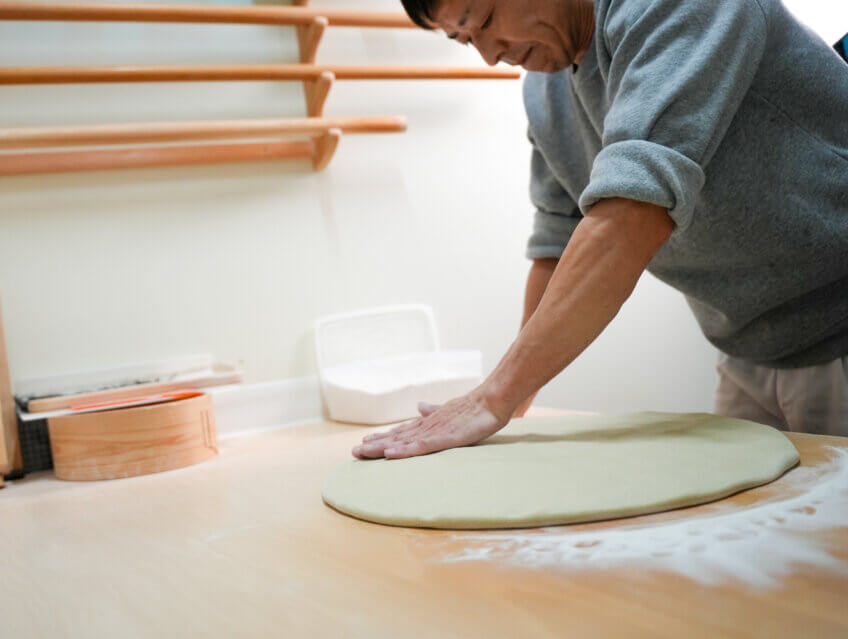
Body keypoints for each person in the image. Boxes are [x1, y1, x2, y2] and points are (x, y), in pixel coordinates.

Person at [353, 0, 848, 459]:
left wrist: (494, 396)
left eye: (482, 19)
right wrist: (515, 396)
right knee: (750, 531)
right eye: (463, 40)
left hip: (837, 323)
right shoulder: (545, 92)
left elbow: (633, 212)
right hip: (745, 347)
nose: (487, 55)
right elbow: (557, 240)